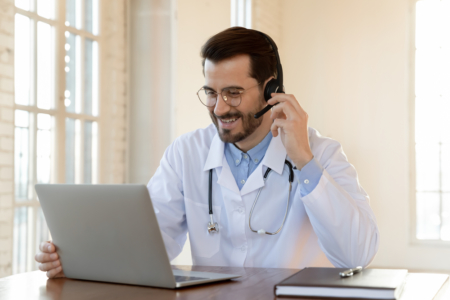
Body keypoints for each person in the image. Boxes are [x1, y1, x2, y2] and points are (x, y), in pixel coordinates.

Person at [35, 27, 379, 278]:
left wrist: (304, 161)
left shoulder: (320, 153)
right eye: (211, 93)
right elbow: (149, 245)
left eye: (233, 93)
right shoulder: (186, 153)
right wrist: (79, 260)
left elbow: (357, 254)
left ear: (271, 89)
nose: (218, 108)